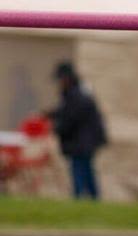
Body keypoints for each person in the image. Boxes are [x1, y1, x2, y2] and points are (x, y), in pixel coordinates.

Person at [45, 61, 107, 199]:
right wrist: (49, 115)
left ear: (66, 78)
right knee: (86, 170)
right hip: (85, 140)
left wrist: (55, 127)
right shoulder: (78, 92)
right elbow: (65, 111)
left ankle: (79, 197)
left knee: (79, 170)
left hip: (82, 141)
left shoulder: (76, 95)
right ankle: (93, 197)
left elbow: (71, 118)